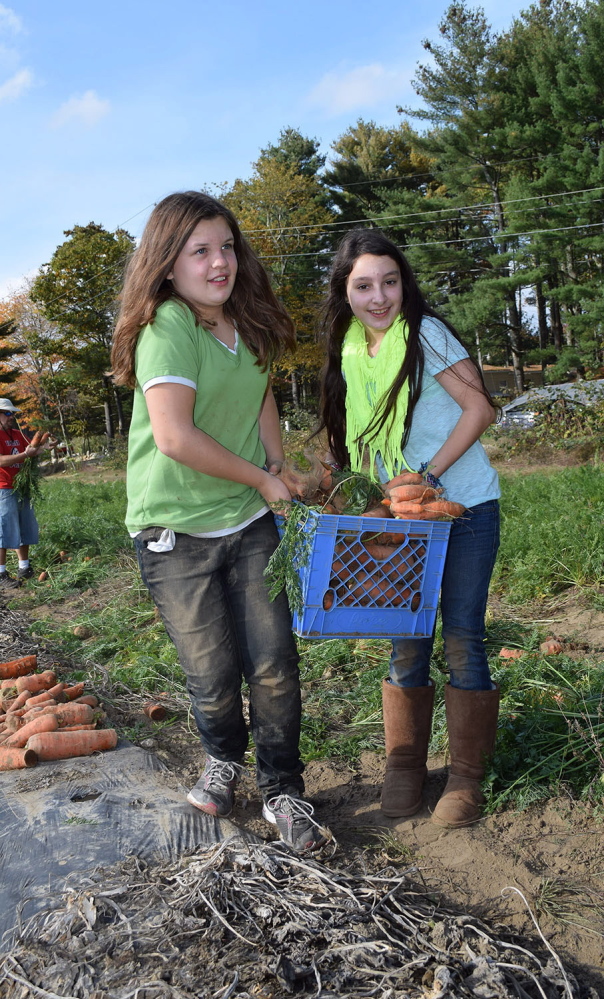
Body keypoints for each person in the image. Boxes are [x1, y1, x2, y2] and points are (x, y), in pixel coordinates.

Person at [111, 191, 329, 853]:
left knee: (273, 662)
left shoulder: (246, 322)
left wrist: (278, 463)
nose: (220, 261)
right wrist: (263, 479)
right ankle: (222, 758)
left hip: (246, 518)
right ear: (167, 263)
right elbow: (175, 436)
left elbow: (260, 392)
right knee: (211, 670)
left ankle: (283, 787)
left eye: (227, 246)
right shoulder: (167, 326)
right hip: (174, 528)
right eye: (200, 250)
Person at [318, 228, 501, 829]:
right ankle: (405, 767)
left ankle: (466, 776)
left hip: (465, 507)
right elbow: (359, 445)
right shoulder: (350, 350)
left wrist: (427, 476)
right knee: (406, 634)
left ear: (405, 283)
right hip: (401, 521)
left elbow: (480, 408)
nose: (379, 297)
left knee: (462, 638)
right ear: (345, 292)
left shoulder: (425, 333)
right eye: (364, 285)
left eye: (390, 282)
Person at [0, 398, 49, 588]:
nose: (12, 417)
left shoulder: (16, 434)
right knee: (3, 530)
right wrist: (24, 455)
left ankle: (24, 568)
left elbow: (31, 451)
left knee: (24, 526)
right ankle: (1, 574)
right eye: (8, 413)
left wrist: (44, 447)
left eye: (13, 413)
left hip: (21, 486)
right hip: (3, 488)